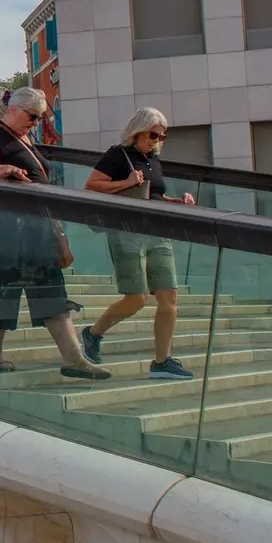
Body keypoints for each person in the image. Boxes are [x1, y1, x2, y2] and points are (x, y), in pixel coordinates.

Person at [0, 86, 114, 378]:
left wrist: (59, 237)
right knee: (2, 290)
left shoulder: (23, 138)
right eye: (33, 116)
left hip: (36, 228)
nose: (36, 122)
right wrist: (6, 171)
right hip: (5, 230)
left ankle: (75, 359)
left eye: (39, 117)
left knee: (49, 291)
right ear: (13, 110)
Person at [81, 108, 197, 381]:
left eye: (161, 135)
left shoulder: (153, 159)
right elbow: (91, 186)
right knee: (136, 298)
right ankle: (93, 333)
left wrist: (177, 201)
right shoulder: (117, 155)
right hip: (126, 231)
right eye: (153, 134)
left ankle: (162, 360)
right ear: (138, 130)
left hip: (158, 231)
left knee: (169, 297)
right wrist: (126, 182)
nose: (156, 140)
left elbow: (154, 195)